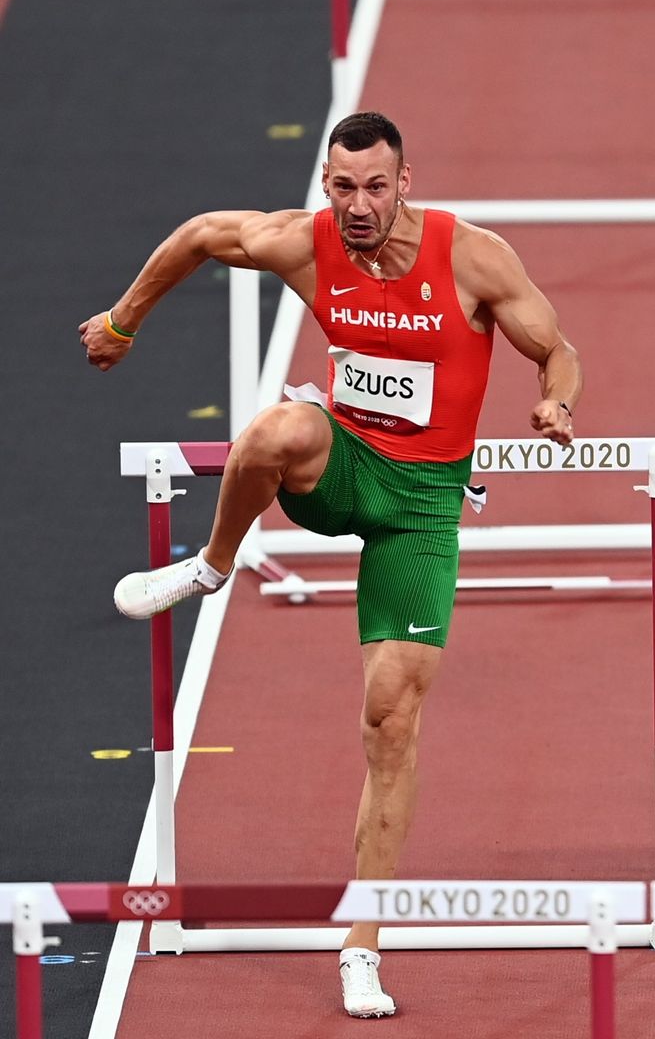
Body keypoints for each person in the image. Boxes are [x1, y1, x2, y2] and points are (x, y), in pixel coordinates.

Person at [79, 112, 582, 1018]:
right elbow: (199, 234)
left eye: (375, 187)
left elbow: (557, 348)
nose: (358, 205)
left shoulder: (471, 256)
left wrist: (555, 401)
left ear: (404, 181)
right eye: (341, 186)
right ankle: (213, 566)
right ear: (325, 182)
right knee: (275, 427)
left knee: (390, 722)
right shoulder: (304, 243)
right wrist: (123, 321)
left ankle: (362, 944)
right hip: (341, 469)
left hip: (423, 509)